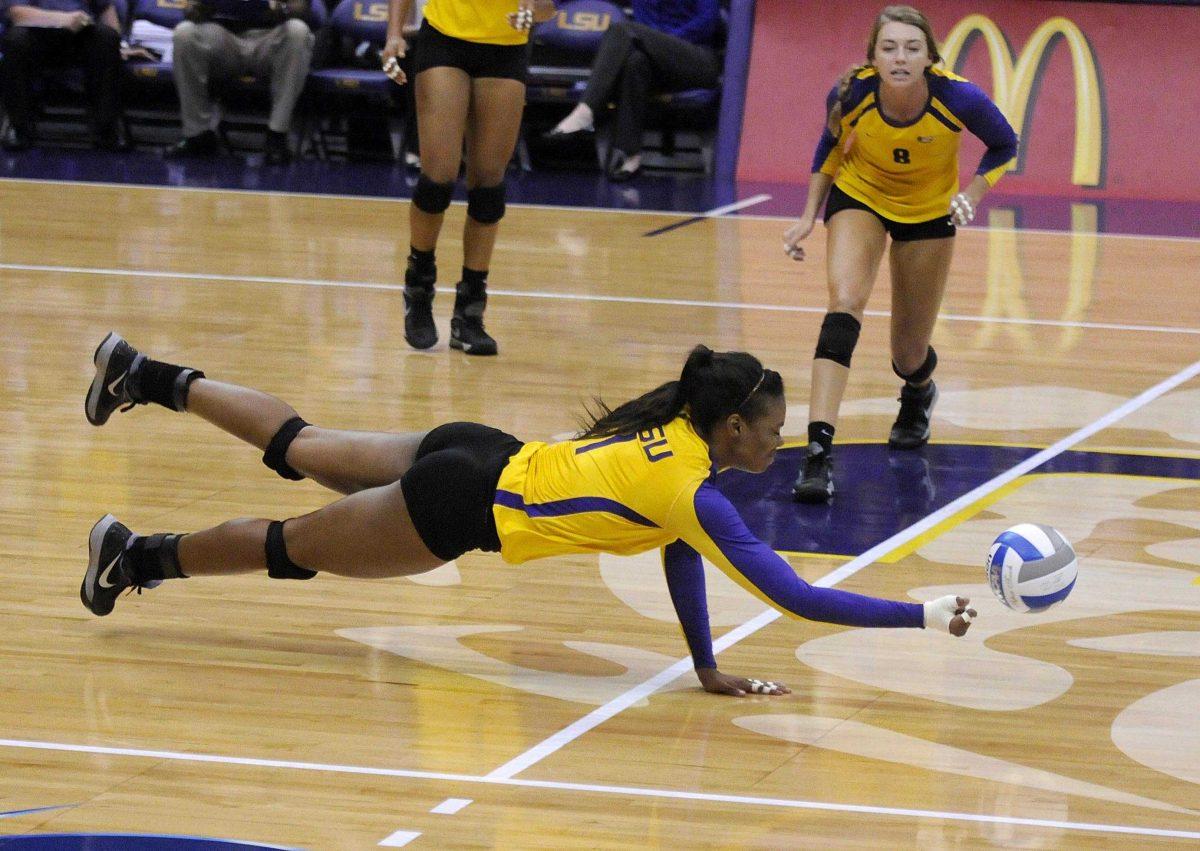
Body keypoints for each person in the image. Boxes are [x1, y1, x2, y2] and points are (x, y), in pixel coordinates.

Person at [80, 333, 978, 697]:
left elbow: (677, 552)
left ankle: (145, 375)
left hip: (480, 447)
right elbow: (799, 599)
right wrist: (926, 613)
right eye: (773, 430)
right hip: (460, 502)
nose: (780, 443)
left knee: (302, 443)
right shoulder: (692, 488)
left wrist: (704, 665)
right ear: (732, 426)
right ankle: (135, 558)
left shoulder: (672, 433)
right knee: (290, 548)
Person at [785, 5, 1018, 504]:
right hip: (861, 195)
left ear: (930, 57)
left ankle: (918, 391)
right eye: (889, 48)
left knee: (908, 354)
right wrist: (808, 214)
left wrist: (971, 194)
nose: (900, 57)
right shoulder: (852, 92)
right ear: (872, 57)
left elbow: (1004, 145)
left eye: (912, 48)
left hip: (930, 212)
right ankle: (817, 454)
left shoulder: (959, 97)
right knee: (844, 302)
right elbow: (829, 146)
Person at [380, 0, 556, 357]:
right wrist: (394, 34)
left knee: (489, 184)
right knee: (438, 176)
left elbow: (548, 6)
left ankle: (470, 313)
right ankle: (419, 286)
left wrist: (535, 12)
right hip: (445, 37)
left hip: (506, 46)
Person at [542, 0, 721, 181]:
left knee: (622, 30)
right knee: (635, 62)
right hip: (652, 59)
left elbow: (707, 21)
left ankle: (585, 111)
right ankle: (630, 155)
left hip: (696, 58)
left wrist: (661, 39)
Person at [165, 0, 316, 164]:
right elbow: (190, 12)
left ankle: (277, 135)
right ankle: (197, 135)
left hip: (270, 38)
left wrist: (281, 8)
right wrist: (198, 7)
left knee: (298, 31)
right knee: (184, 33)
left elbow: (304, 9)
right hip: (224, 37)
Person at [0, 0, 124, 151]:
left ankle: (106, 128)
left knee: (107, 37)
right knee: (15, 39)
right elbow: (17, 14)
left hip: (80, 34)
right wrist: (62, 19)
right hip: (35, 34)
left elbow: (105, 9)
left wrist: (121, 46)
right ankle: (19, 128)